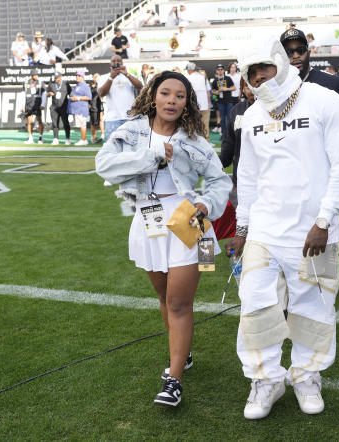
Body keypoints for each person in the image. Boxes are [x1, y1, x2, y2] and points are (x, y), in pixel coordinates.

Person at [225, 36, 339, 420]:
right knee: (255, 305)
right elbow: (246, 176)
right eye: (252, 72)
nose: (259, 77)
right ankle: (266, 379)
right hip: (264, 231)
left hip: (313, 231)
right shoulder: (251, 116)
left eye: (265, 67)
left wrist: (324, 219)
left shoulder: (323, 100)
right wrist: (243, 227)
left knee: (313, 307)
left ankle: (306, 376)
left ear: (282, 62)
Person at [96, 70, 232, 407]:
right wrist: (152, 155)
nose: (172, 100)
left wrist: (206, 204)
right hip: (148, 217)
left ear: (187, 102)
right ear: (153, 96)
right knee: (163, 295)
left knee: (179, 302)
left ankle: (174, 380)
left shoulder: (194, 139)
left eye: (180, 96)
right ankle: (181, 354)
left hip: (189, 217)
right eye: (166, 93)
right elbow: (104, 165)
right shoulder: (131, 132)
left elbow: (219, 180)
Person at [280, 28, 339, 135]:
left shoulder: (333, 83)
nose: (295, 56)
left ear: (309, 52)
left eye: (300, 50)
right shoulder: (277, 89)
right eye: (289, 52)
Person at [97, 55, 143, 141]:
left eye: (119, 61)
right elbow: (101, 93)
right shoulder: (104, 77)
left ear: (122, 63)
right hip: (112, 119)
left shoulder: (129, 75)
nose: (116, 63)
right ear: (110, 64)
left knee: (131, 148)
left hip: (130, 118)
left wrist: (127, 74)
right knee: (113, 149)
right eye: (114, 61)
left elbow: (140, 86)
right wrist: (111, 77)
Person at [220, 78, 254, 187]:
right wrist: (214, 165)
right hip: (243, 179)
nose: (252, 90)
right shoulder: (237, 110)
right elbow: (228, 146)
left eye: (256, 84)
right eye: (247, 86)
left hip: (270, 179)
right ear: (242, 89)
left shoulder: (275, 110)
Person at [185, 62, 211, 140]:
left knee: (192, 124)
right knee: (205, 124)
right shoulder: (203, 78)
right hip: (204, 105)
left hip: (192, 106)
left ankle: (193, 141)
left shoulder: (187, 78)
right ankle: (206, 142)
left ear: (190, 70)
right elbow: (208, 93)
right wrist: (209, 104)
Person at [46, 72, 72, 145]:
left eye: (57, 78)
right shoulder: (51, 84)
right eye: (55, 78)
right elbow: (47, 93)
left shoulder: (66, 83)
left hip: (64, 107)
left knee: (65, 123)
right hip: (54, 107)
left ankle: (67, 138)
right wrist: (49, 94)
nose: (55, 79)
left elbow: (71, 94)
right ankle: (55, 138)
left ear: (61, 77)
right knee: (54, 123)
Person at [210, 64, 235, 137]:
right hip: (220, 102)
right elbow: (213, 91)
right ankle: (224, 134)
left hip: (228, 101)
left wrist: (226, 89)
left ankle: (229, 134)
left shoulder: (228, 78)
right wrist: (216, 92)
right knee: (222, 118)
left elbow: (234, 88)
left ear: (224, 71)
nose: (220, 71)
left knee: (229, 118)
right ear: (216, 71)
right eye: (218, 70)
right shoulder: (215, 80)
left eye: (221, 69)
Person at [68, 71, 92, 146]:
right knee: (81, 124)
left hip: (82, 108)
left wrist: (77, 98)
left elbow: (89, 97)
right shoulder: (77, 85)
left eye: (79, 76)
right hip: (77, 109)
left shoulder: (85, 86)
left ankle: (83, 140)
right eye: (77, 76)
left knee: (83, 124)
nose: (77, 77)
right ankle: (83, 139)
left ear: (82, 77)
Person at [23, 70, 45, 144]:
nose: (36, 76)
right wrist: (23, 105)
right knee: (29, 122)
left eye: (37, 75)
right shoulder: (26, 82)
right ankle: (30, 138)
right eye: (35, 75)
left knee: (39, 121)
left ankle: (40, 137)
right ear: (31, 75)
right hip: (29, 104)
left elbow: (44, 93)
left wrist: (43, 104)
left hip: (37, 104)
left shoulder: (40, 82)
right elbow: (23, 93)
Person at [88, 73, 103, 143]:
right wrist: (89, 104)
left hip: (99, 106)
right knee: (94, 123)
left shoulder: (101, 86)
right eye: (97, 78)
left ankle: (97, 137)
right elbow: (90, 96)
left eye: (99, 78)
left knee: (98, 122)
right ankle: (93, 138)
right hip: (93, 107)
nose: (98, 80)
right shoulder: (91, 86)